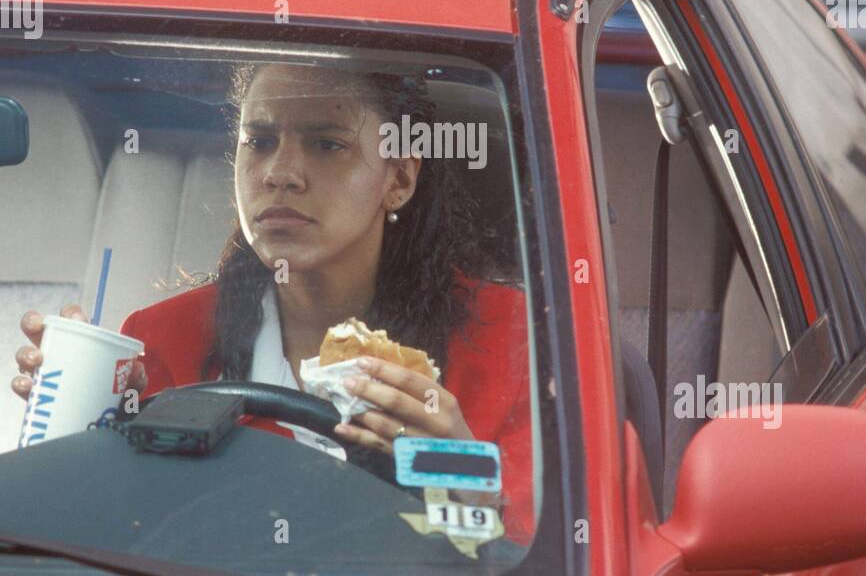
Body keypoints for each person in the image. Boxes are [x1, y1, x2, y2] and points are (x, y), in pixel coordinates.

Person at [12, 62, 534, 543]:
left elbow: (552, 550)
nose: (279, 173)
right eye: (259, 141)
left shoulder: (513, 339)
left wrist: (462, 472)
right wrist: (87, 433)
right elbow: (107, 541)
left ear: (398, 178)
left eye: (327, 144)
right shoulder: (162, 338)